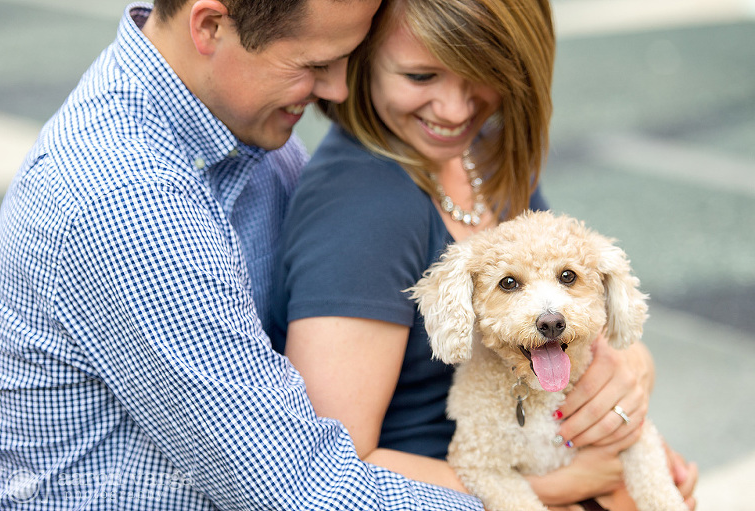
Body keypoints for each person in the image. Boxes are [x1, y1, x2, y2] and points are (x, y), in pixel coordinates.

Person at [0, 1, 490, 509]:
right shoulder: (126, 200)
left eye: (348, 60)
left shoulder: (235, 124)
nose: (337, 91)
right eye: (315, 65)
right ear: (208, 26)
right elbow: (295, 490)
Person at [270, 0, 698, 509]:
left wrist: (630, 370)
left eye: (481, 73)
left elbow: (571, 288)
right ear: (361, 61)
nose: (454, 110)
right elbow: (330, 464)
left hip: (547, 448)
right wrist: (569, 486)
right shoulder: (360, 212)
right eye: (420, 75)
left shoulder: (482, 150)